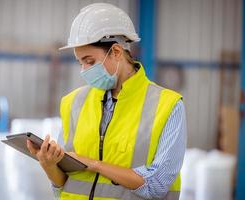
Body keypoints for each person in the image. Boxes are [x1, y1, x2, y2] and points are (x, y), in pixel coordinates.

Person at [27, 3, 187, 200]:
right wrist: (48, 164)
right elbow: (64, 185)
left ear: (117, 52)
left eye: (90, 61)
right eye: (80, 62)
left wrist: (92, 164)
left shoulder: (167, 106)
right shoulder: (74, 103)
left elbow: (157, 184)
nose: (84, 70)